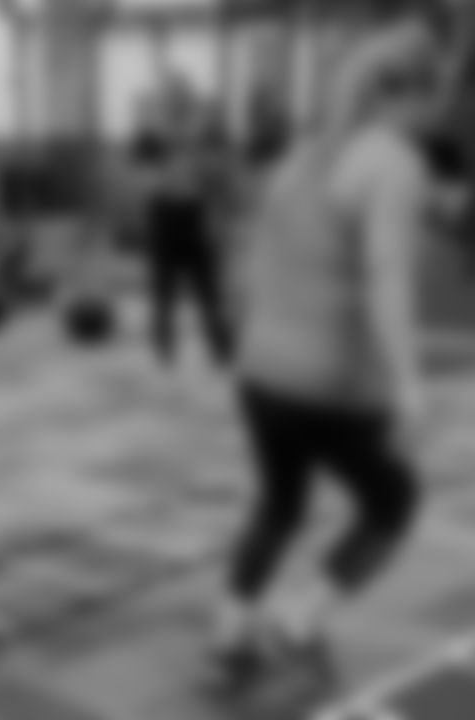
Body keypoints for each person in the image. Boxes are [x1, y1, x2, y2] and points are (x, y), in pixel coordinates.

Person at [212, 19, 438, 686]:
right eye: (441, 97)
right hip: (330, 384)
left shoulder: (302, 155)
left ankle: (230, 633)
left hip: (262, 373)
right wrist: (409, 386)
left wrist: (248, 335)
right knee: (394, 501)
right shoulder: (393, 163)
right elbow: (389, 279)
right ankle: (298, 620)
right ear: (418, 94)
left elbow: (253, 259)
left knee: (280, 505)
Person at [136, 79, 235, 371]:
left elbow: (219, 171)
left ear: (189, 103)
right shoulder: (151, 137)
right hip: (164, 215)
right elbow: (145, 179)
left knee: (208, 287)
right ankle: (163, 347)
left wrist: (199, 162)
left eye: (182, 100)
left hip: (196, 214)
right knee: (162, 287)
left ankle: (220, 347)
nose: (177, 106)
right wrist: (172, 161)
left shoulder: (204, 133)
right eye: (171, 100)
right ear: (164, 103)